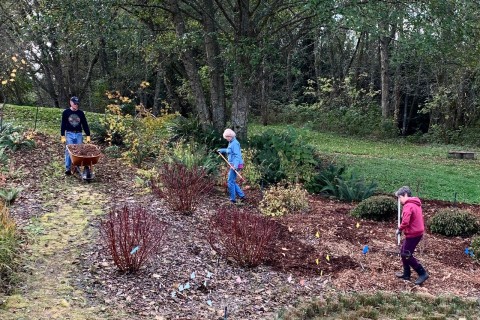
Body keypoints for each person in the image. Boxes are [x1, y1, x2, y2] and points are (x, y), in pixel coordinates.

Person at [394, 186, 429, 285]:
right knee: (403, 252)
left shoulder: (408, 205)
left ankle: (422, 273)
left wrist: (399, 229)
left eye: (400, 197)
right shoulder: (415, 203)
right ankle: (406, 274)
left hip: (413, 233)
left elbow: (405, 221)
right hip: (417, 232)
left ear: (405, 195)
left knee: (407, 254)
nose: (400, 200)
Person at [61, 96, 91, 175]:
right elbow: (63, 124)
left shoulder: (80, 113)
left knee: (79, 151)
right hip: (69, 133)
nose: (76, 105)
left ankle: (76, 167)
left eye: (77, 104)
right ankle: (68, 168)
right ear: (70, 103)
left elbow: (85, 124)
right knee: (69, 150)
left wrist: (88, 135)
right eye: (74, 104)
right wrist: (62, 135)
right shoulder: (66, 112)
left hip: (78, 134)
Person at [217, 128, 245, 204]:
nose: (226, 139)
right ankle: (242, 196)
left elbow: (237, 156)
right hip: (234, 164)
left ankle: (233, 199)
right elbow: (229, 150)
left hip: (236, 165)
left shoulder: (235, 143)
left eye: (227, 138)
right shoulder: (231, 142)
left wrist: (235, 166)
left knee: (230, 182)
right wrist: (221, 150)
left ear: (230, 136)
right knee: (232, 181)